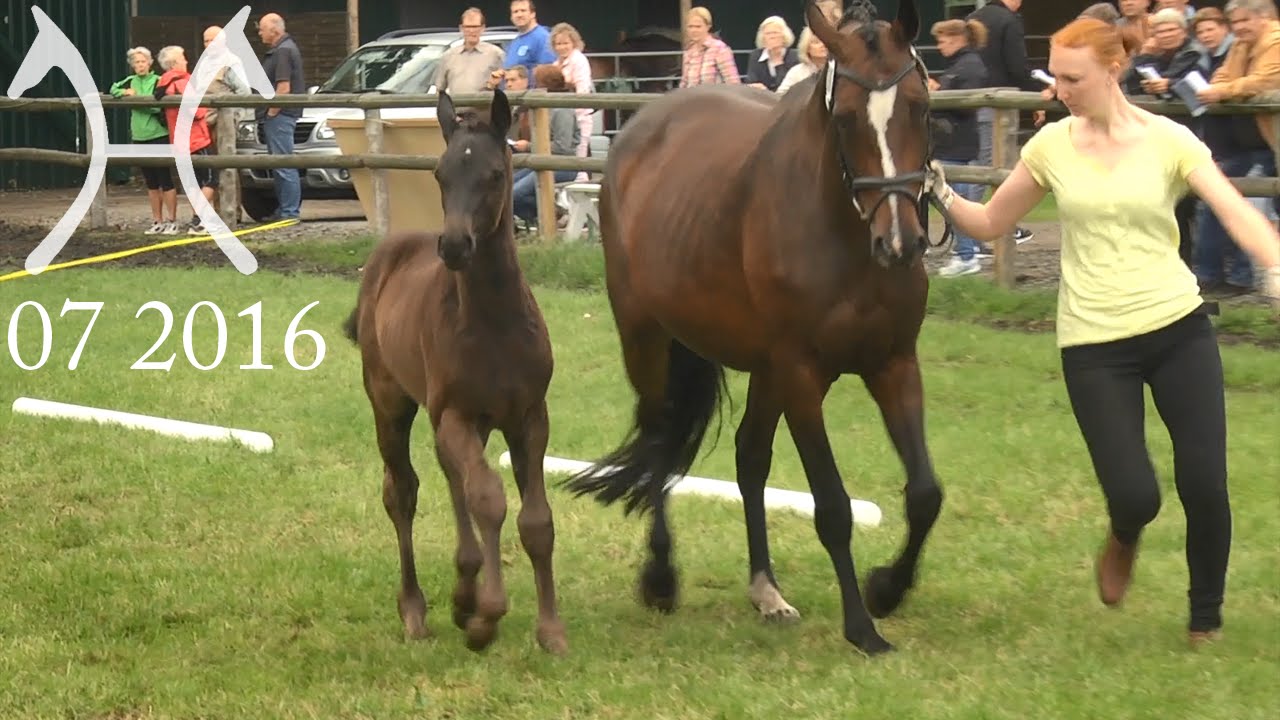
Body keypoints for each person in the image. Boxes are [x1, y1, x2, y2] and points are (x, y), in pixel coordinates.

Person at [925, 16, 1280, 647]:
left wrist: (1274, 264)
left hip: (1177, 327)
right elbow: (990, 223)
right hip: (1094, 343)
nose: (1058, 90)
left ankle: (1205, 619)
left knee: (1205, 482)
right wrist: (938, 189)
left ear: (1113, 70)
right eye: (1055, 77)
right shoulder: (1051, 146)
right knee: (1135, 495)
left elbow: (1233, 209)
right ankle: (1124, 534)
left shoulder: (1169, 140)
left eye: (1072, 78)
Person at [927, 18, 991, 277]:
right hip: (953, 142)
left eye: (942, 40)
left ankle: (966, 254)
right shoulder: (961, 65)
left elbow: (966, 105)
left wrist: (938, 95)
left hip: (957, 142)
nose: (939, 46)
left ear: (956, 39)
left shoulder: (969, 66)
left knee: (953, 200)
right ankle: (968, 249)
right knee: (954, 198)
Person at [109, 46, 177, 235]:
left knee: (165, 179)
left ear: (150, 63)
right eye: (136, 62)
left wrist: (137, 101)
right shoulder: (130, 81)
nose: (140, 65)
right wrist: (124, 93)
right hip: (140, 136)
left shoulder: (158, 81)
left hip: (158, 135)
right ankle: (157, 221)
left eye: (143, 61)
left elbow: (157, 107)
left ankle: (172, 220)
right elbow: (113, 88)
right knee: (151, 182)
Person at [154, 45, 217, 234]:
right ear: (175, 63)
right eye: (183, 58)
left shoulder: (162, 84)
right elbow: (196, 111)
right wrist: (206, 108)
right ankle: (199, 220)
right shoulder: (183, 82)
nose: (186, 61)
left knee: (193, 183)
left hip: (178, 140)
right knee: (212, 179)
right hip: (196, 138)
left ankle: (199, 220)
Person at [256, 12, 305, 222]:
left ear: (274, 30)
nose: (260, 33)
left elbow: (283, 87)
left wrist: (272, 112)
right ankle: (285, 209)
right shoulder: (282, 49)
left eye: (262, 29)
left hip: (281, 115)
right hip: (279, 114)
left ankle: (290, 212)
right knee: (279, 164)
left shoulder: (283, 51)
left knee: (284, 163)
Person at [433, 7, 505, 95]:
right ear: (461, 28)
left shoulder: (496, 54)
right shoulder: (449, 56)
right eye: (467, 27)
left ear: (482, 28)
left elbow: (507, 86)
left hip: (486, 104)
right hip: (455, 104)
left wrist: (492, 84)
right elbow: (439, 90)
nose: (471, 31)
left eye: (475, 27)